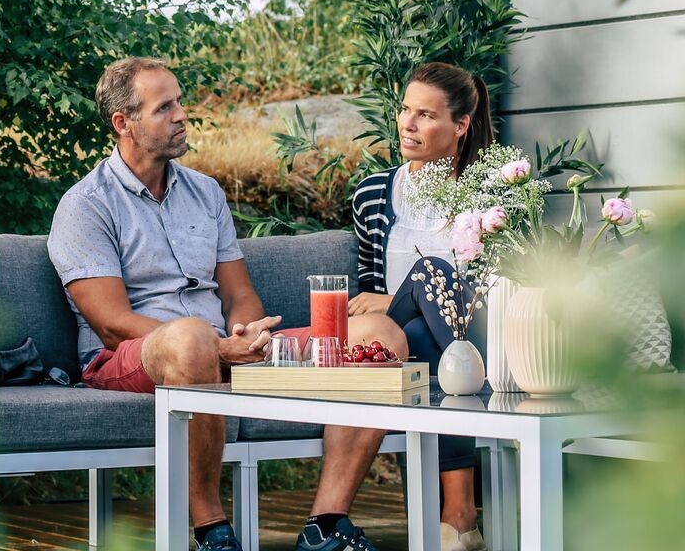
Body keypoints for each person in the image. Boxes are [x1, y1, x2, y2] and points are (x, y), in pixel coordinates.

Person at [48, 57, 408, 551]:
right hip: (132, 357)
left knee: (381, 336)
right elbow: (112, 324)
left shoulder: (205, 192)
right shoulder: (86, 205)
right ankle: (212, 532)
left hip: (221, 349)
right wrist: (214, 347)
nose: (181, 116)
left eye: (180, 102)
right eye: (164, 107)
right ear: (123, 123)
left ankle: (325, 525)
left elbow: (238, 294)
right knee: (192, 336)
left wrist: (247, 335)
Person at [348, 62, 493, 551]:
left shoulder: (489, 195)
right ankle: (460, 515)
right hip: (398, 333)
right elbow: (365, 296)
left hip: (471, 330)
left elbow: (500, 286)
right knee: (431, 277)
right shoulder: (372, 194)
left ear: (460, 125)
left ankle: (453, 515)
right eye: (405, 110)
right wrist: (398, 300)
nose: (407, 124)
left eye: (425, 115)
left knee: (437, 327)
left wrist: (401, 295)